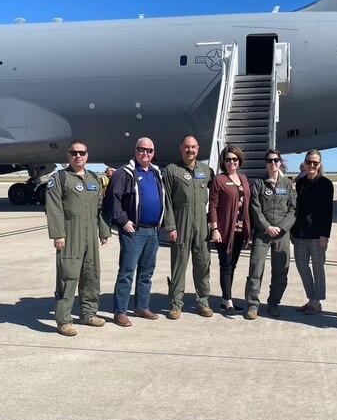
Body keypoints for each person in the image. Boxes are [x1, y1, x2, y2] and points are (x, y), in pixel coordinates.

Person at [46, 140, 111, 337]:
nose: (78, 156)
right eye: (74, 153)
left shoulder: (93, 178)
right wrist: (58, 234)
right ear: (68, 155)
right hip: (70, 232)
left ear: (87, 155)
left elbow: (101, 207)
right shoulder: (59, 178)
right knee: (68, 276)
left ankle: (88, 313)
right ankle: (64, 320)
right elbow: (54, 207)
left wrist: (104, 231)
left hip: (91, 232)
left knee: (91, 275)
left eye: (82, 152)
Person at [103, 137, 164, 327]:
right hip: (134, 232)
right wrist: (123, 221)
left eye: (149, 150)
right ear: (135, 150)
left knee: (146, 272)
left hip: (152, 231)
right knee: (127, 272)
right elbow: (113, 201)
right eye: (141, 149)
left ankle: (141, 307)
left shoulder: (156, 172)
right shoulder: (123, 173)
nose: (145, 153)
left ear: (154, 153)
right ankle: (120, 311)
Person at [162, 135, 215, 319]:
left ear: (198, 149)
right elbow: (166, 200)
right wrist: (170, 226)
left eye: (193, 147)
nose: (190, 150)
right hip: (180, 221)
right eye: (187, 147)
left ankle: (203, 302)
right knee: (178, 264)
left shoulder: (207, 171)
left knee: (202, 264)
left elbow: (216, 197)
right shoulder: (172, 170)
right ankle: (176, 304)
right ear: (181, 147)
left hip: (201, 223)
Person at [245, 149, 296, 320]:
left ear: (280, 162)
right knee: (256, 268)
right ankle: (252, 304)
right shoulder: (259, 184)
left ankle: (274, 302)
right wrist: (267, 227)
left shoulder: (287, 185)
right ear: (266, 163)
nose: (272, 163)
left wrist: (281, 228)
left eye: (275, 160)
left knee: (280, 270)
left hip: (282, 234)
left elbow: (293, 209)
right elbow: (255, 207)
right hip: (263, 233)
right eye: (269, 161)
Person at [208, 145, 251, 318]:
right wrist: (215, 228)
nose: (231, 162)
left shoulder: (243, 178)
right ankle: (228, 302)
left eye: (234, 159)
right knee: (225, 265)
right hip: (224, 230)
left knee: (232, 265)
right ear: (223, 162)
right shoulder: (219, 179)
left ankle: (225, 300)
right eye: (228, 159)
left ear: (239, 161)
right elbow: (213, 205)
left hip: (240, 230)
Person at [291, 149, 334, 315]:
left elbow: (328, 211)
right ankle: (311, 298)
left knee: (318, 268)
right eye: (309, 162)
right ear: (304, 163)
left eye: (315, 163)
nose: (312, 165)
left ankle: (316, 303)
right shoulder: (301, 183)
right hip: (301, 233)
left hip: (317, 235)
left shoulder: (325, 184)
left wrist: (325, 234)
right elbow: (298, 209)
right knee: (301, 266)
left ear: (319, 164)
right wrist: (293, 231)